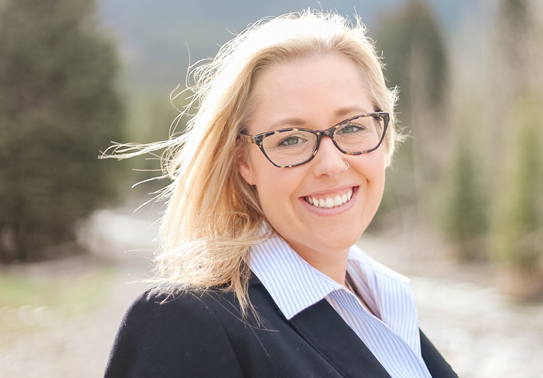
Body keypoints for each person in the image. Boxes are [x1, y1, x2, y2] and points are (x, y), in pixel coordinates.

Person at [104, 10, 458, 378]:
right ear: (244, 161)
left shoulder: (383, 302)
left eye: (352, 127)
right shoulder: (186, 324)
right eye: (291, 138)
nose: (331, 163)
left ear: (384, 136)